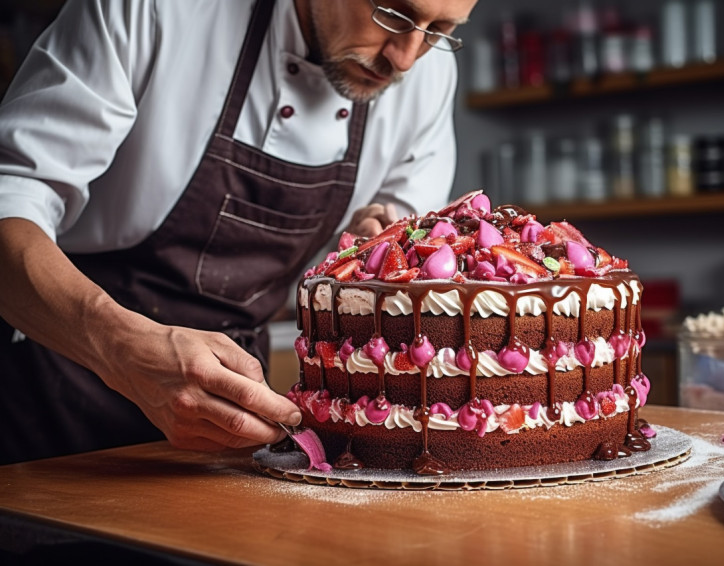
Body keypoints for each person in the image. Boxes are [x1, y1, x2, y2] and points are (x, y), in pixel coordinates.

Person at [0, 0, 477, 464]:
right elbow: (11, 198)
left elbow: (409, 230)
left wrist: (372, 237)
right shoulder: (154, 9)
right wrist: (122, 349)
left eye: (440, 31)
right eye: (392, 13)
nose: (406, 56)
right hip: (61, 386)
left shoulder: (427, 77)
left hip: (233, 411)